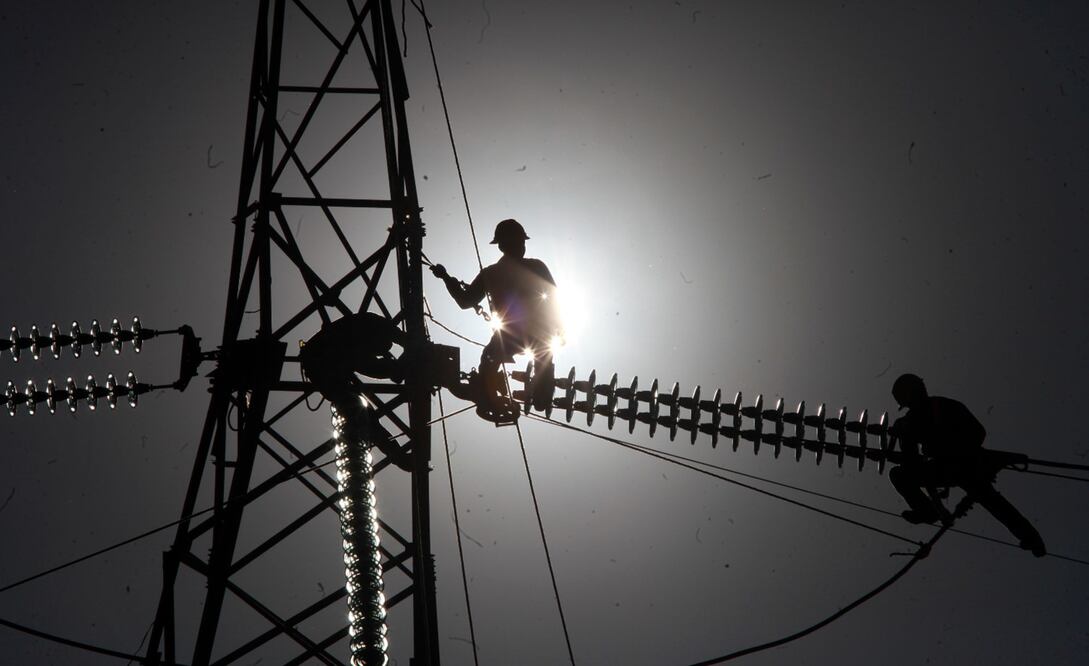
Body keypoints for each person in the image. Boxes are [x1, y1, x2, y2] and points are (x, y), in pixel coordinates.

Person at [888, 373, 1046, 556]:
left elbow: (977, 433)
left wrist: (950, 449)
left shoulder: (936, 410)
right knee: (991, 500)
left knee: (991, 500)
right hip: (958, 466)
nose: (908, 404)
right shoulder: (920, 416)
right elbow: (913, 463)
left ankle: (1032, 539)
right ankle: (1032, 539)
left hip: (966, 464)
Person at [429, 219, 560, 419]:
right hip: (530, 333)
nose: (522, 247)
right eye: (519, 242)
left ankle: (493, 394)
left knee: (491, 357)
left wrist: (446, 278)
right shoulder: (529, 268)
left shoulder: (495, 273)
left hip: (519, 334)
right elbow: (466, 301)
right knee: (495, 357)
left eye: (521, 242)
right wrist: (446, 278)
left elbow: (466, 300)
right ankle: (495, 394)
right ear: (505, 245)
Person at [299, 311, 412, 470]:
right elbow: (380, 368)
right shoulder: (359, 336)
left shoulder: (364, 331)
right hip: (322, 367)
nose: (381, 353)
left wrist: (404, 363)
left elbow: (385, 367)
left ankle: (398, 456)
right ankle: (398, 457)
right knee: (362, 415)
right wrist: (409, 359)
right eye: (380, 351)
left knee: (362, 415)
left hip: (324, 366)